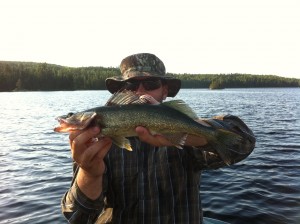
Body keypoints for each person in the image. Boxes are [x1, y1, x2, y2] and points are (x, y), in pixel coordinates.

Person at [61, 53, 256, 224]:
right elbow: (78, 218)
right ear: (120, 93)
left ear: (165, 92)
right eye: (130, 84)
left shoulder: (185, 132)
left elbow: (243, 144)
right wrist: (90, 173)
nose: (140, 91)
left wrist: (194, 136)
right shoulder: (96, 142)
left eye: (151, 84)